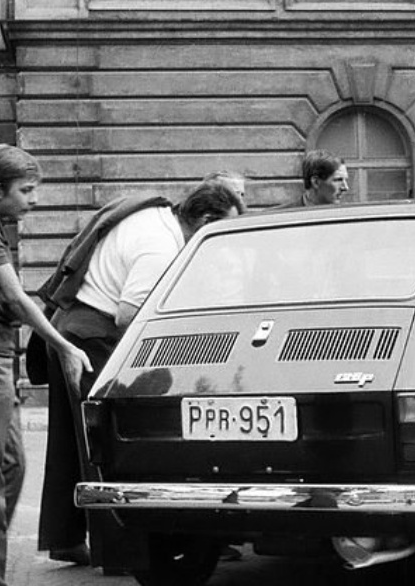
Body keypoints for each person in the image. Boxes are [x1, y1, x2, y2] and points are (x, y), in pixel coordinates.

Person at [37, 175, 246, 570]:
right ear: (203, 219)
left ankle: (64, 539)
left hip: (72, 325)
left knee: (73, 442)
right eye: (222, 230)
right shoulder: (161, 246)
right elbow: (130, 315)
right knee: (108, 446)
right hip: (93, 335)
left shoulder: (155, 215)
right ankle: (119, 554)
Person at [0, 141, 92, 586]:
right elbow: (15, 296)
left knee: (11, 467)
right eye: (27, 190)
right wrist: (64, 346)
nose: (34, 200)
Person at [279, 149, 349, 207]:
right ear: (316, 182)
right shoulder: (280, 217)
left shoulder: (348, 216)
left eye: (345, 180)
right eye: (338, 180)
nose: (345, 187)